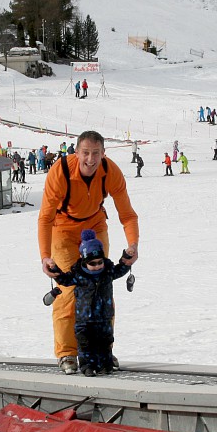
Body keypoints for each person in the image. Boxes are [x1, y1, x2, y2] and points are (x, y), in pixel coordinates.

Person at [38, 130, 139, 375]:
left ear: (104, 154)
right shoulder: (60, 172)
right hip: (63, 227)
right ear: (76, 152)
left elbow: (127, 214)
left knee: (102, 287)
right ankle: (67, 354)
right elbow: (45, 217)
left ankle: (103, 350)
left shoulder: (111, 172)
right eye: (85, 153)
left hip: (95, 224)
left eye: (96, 153)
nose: (90, 159)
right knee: (68, 291)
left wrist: (133, 244)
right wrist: (45, 256)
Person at [49, 230, 132, 376]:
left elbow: (121, 269)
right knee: (85, 344)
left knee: (105, 342)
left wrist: (127, 257)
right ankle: (87, 366)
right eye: (92, 263)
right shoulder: (78, 275)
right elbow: (64, 280)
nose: (97, 266)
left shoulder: (107, 272)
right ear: (84, 261)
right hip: (84, 319)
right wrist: (54, 269)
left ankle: (106, 365)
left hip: (104, 317)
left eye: (100, 262)